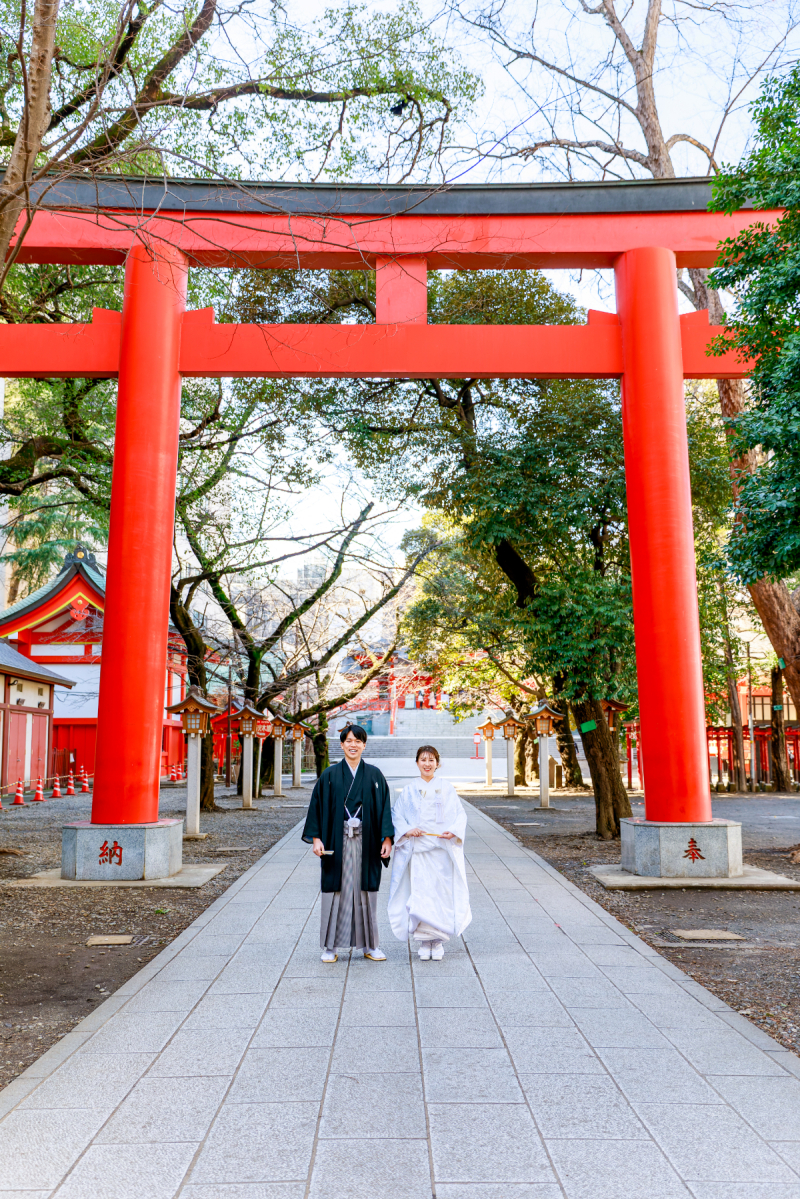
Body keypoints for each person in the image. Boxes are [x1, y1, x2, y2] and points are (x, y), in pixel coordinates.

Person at [302, 723, 394, 963]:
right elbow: (317, 808)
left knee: (366, 891)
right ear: (341, 744)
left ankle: (370, 945)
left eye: (358, 741)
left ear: (364, 745)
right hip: (336, 839)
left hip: (368, 841)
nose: (353, 745)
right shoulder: (330, 775)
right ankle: (330, 946)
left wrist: (386, 838)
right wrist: (316, 838)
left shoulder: (374, 775)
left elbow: (385, 808)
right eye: (349, 741)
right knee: (336, 891)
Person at [388, 745, 471, 960]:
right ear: (417, 763)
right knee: (421, 894)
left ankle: (439, 940)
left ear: (438, 763)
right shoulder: (409, 789)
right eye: (423, 760)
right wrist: (407, 829)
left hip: (440, 851)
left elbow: (459, 815)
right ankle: (424, 941)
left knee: (440, 893)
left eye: (431, 760)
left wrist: (452, 831)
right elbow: (397, 815)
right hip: (418, 852)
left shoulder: (447, 788)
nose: (427, 764)